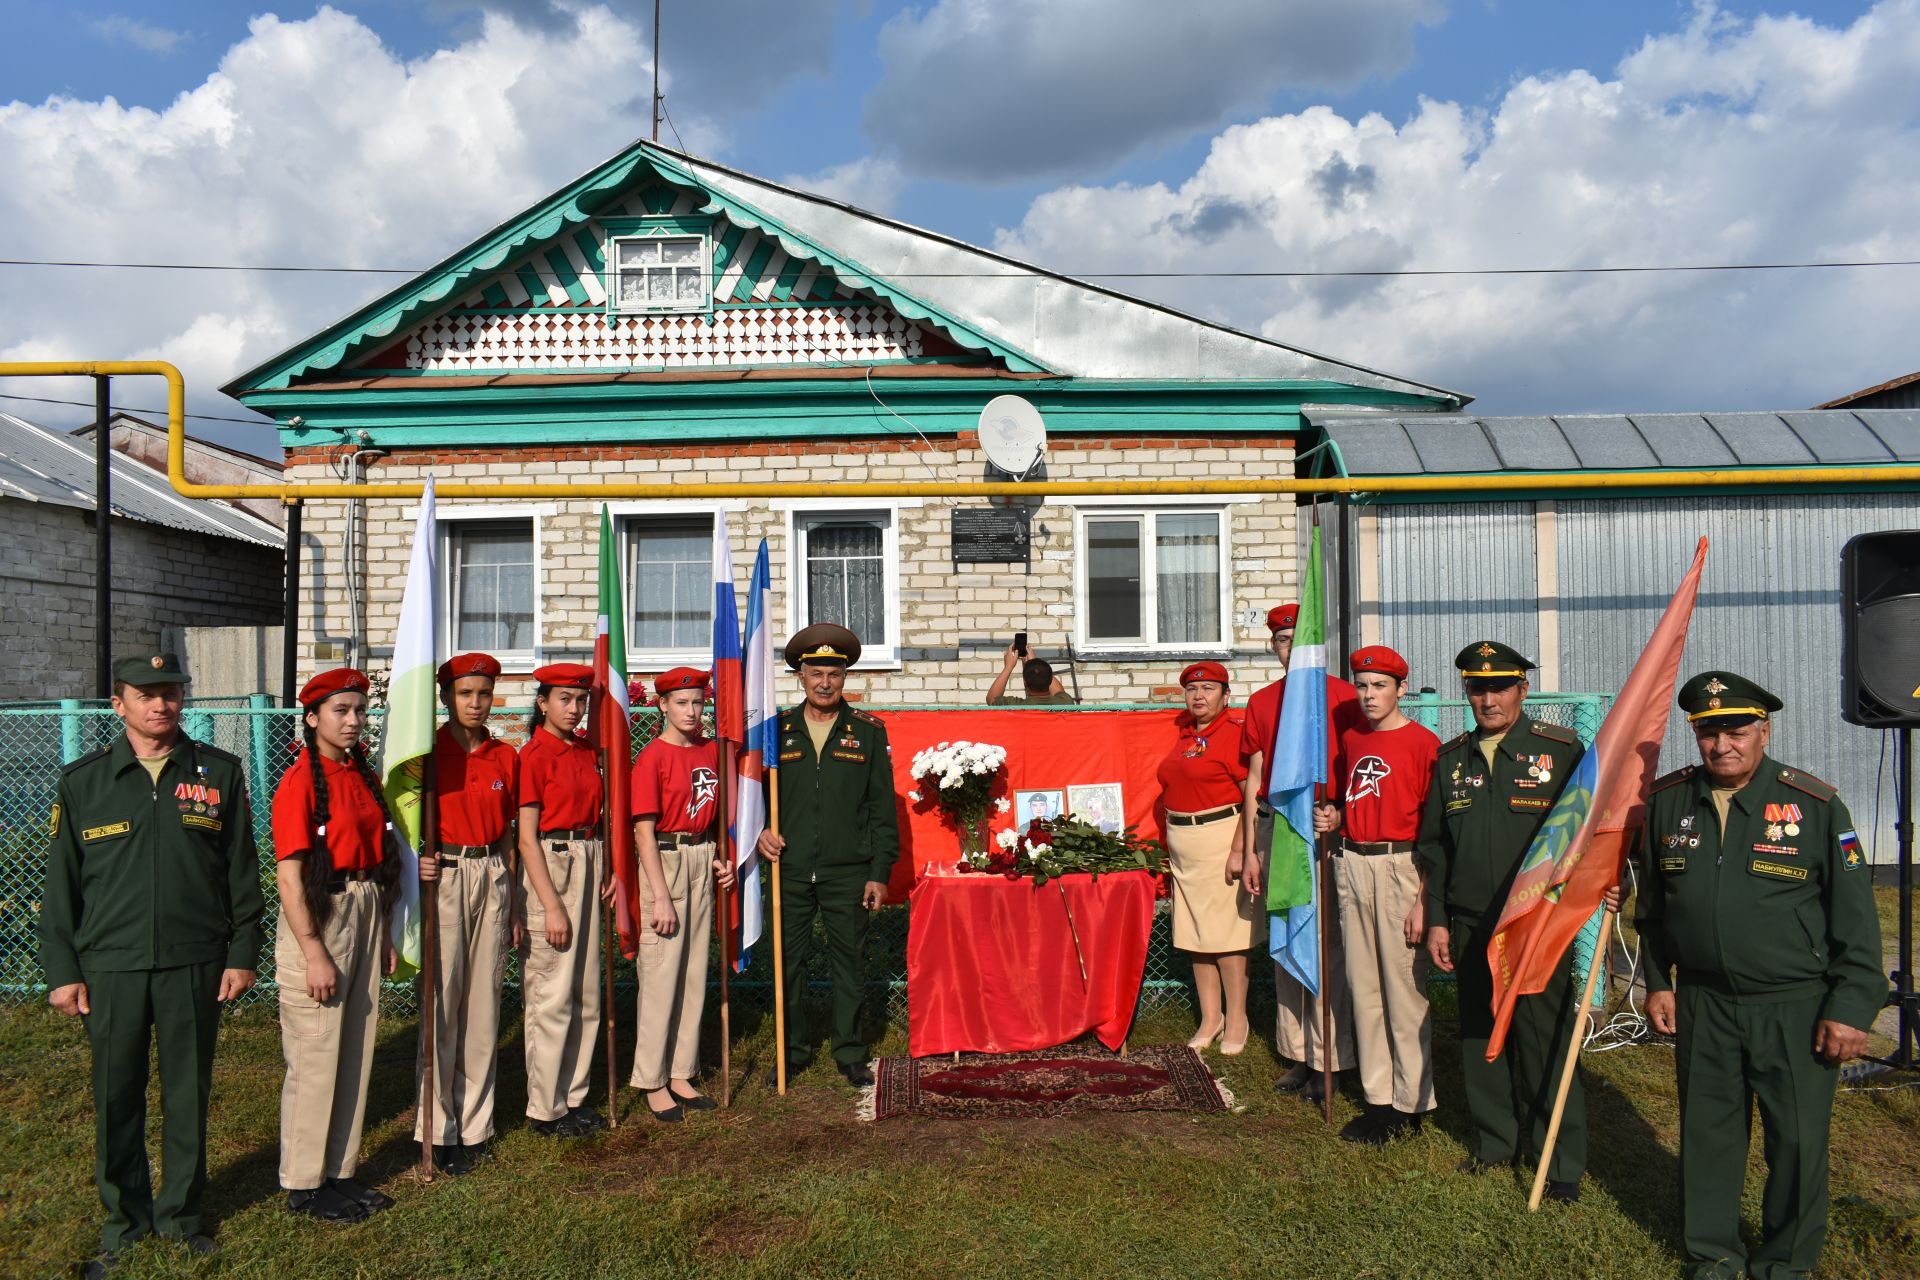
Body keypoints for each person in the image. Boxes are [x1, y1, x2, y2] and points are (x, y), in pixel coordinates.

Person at [1635, 672, 1886, 1280]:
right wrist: (1659, 981)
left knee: (1797, 1141)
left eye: (1736, 730)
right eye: (1708, 731)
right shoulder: (1669, 802)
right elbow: (1653, 910)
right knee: (1708, 1136)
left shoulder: (1814, 805)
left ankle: (1786, 1261)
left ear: (1763, 730)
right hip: (1704, 1002)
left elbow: (1856, 920)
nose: (1723, 744)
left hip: (1794, 1004)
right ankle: (1712, 1254)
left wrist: (1852, 1006)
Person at [39, 653, 263, 1275]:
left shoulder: (219, 774)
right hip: (110, 965)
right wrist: (63, 970)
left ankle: (183, 1216)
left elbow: (242, 873)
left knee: (187, 1092)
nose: (160, 704)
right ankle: (125, 1219)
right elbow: (62, 888)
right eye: (145, 694)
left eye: (170, 692)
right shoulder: (84, 782)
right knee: (117, 1095)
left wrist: (242, 953)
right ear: (119, 704)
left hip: (195, 960)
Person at [1419, 640, 1589, 1202]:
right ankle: (1496, 1144)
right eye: (1477, 687)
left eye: (1499, 687)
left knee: (1543, 1037)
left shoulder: (1561, 751)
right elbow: (1435, 850)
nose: (1487, 698)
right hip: (1469, 922)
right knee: (1479, 1037)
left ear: (1522, 689)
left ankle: (1557, 1158)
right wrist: (1438, 919)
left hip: (1535, 923)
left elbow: (1591, 830)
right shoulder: (1451, 761)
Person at [271, 668, 405, 1223]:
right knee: (316, 1052)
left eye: (358, 710)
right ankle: (303, 1182)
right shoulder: (301, 781)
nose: (352, 721)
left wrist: (383, 936)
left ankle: (339, 1169)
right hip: (322, 917)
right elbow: (290, 878)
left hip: (364, 909)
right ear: (312, 718)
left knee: (355, 1047)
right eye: (339, 711)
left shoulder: (358, 774)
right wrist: (315, 952)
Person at [755, 623, 900, 1088]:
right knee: (788, 963)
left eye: (833, 675)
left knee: (849, 964)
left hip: (848, 872)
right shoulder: (776, 733)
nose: (824, 683)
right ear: (799, 675)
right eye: (815, 672)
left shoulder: (868, 733)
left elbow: (881, 808)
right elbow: (752, 797)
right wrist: (759, 831)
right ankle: (792, 1049)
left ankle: (850, 1050)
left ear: (844, 678)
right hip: (790, 869)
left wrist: (879, 872)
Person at [1235, 602, 1366, 1100]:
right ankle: (1297, 1053)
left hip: (1326, 829)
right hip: (1278, 830)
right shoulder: (1264, 701)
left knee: (1328, 942)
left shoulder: (1345, 698)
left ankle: (1331, 1055)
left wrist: (1342, 817)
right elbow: (1253, 777)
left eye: (1299, 638)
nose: (1290, 647)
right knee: (1287, 935)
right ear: (1274, 646)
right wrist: (1251, 849)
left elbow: (1361, 772)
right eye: (1283, 639)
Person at [1316, 645, 1440, 1144]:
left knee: (1403, 990)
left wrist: (1424, 897)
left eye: (1380, 686)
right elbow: (1356, 798)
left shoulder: (1423, 744)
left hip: (1400, 867)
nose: (1369, 696)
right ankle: (1379, 1097)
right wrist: (1336, 818)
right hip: (1354, 861)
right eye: (1362, 686)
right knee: (1363, 987)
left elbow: (1435, 829)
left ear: (1401, 689)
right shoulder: (1350, 737)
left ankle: (1412, 1101)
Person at [413, 652, 517, 1175]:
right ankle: (438, 1126)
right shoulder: (427, 754)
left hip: (491, 873)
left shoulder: (505, 756)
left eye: (483, 693)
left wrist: (513, 895)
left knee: (483, 1004)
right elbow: (400, 823)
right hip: (446, 878)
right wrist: (419, 863)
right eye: (465, 693)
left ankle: (475, 1124)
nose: (475, 703)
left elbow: (508, 832)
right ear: (446, 697)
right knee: (444, 1001)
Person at [628, 667, 736, 1122]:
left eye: (698, 702)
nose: (692, 711)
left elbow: (719, 815)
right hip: (665, 863)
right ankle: (651, 1079)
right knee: (660, 974)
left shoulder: (711, 751)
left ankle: (680, 1072)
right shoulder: (653, 757)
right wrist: (659, 896)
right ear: (662, 706)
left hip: (701, 857)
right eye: (682, 703)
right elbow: (643, 832)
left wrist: (722, 859)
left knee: (693, 970)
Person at [517, 662, 609, 1137]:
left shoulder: (587, 749)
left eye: (580, 701)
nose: (574, 710)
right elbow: (527, 838)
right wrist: (551, 904)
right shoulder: (534, 755)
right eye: (564, 700)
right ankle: (544, 1105)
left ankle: (573, 1095)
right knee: (551, 989)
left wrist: (607, 868)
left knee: (585, 991)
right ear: (542, 704)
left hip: (588, 855)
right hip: (553, 862)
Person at [1158, 661, 1258, 1054]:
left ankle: (1237, 1019)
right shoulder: (1184, 737)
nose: (1199, 696)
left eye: (1209, 689)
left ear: (1226, 696)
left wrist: (1240, 848)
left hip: (1220, 837)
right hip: (1185, 843)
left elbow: (1251, 793)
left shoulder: (1233, 735)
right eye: (1192, 689)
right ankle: (1210, 1016)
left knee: (1228, 936)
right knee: (1197, 935)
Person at [987, 642, 1076, 705]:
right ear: (1049, 681)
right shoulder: (1064, 703)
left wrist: (1008, 667)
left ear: (1025, 683)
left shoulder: (1017, 706)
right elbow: (1058, 691)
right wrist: (1034, 662)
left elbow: (991, 699)